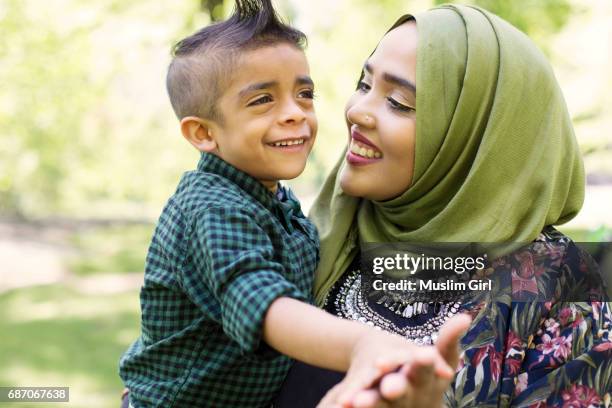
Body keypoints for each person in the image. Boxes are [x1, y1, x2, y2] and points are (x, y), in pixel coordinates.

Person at [118, 1, 469, 407]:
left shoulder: (274, 198)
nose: (295, 114)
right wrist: (363, 344)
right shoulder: (211, 206)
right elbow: (262, 301)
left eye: (304, 94)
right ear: (203, 133)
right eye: (262, 100)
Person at [275, 4, 612, 407]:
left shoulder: (558, 286)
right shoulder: (314, 235)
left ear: (475, 139)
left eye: (399, 102)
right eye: (364, 85)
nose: (356, 111)